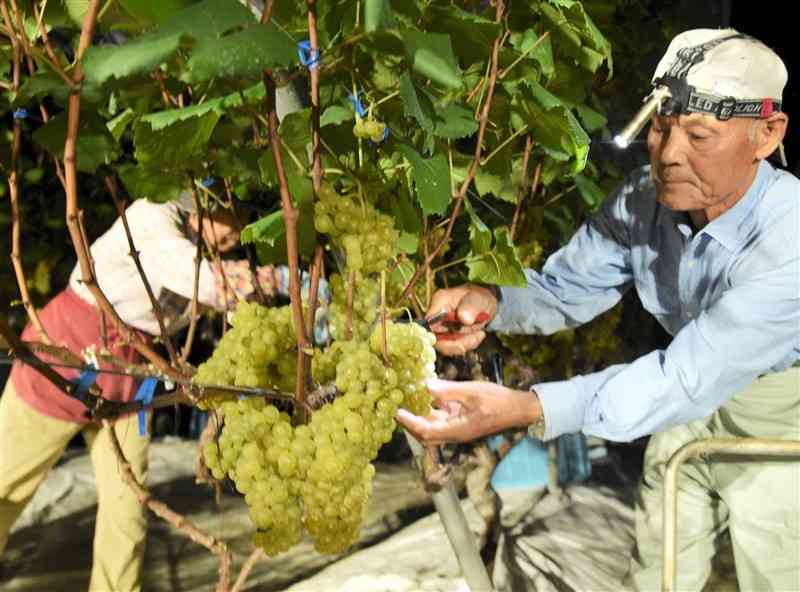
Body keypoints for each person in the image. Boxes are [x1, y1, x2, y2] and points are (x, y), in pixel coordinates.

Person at [397, 29, 799, 591]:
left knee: (776, 570)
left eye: (700, 136)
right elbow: (565, 290)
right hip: (685, 411)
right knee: (658, 568)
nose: (668, 154)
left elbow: (685, 377)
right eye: (660, 127)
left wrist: (528, 408)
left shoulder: (790, 237)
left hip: (781, 426)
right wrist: (493, 302)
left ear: (766, 135)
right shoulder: (644, 202)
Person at [0, 195, 288, 591]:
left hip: (130, 383)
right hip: (63, 365)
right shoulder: (152, 218)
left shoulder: (203, 248)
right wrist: (282, 281)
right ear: (203, 201)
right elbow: (205, 282)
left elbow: (222, 299)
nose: (238, 232)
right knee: (4, 489)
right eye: (233, 218)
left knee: (127, 510)